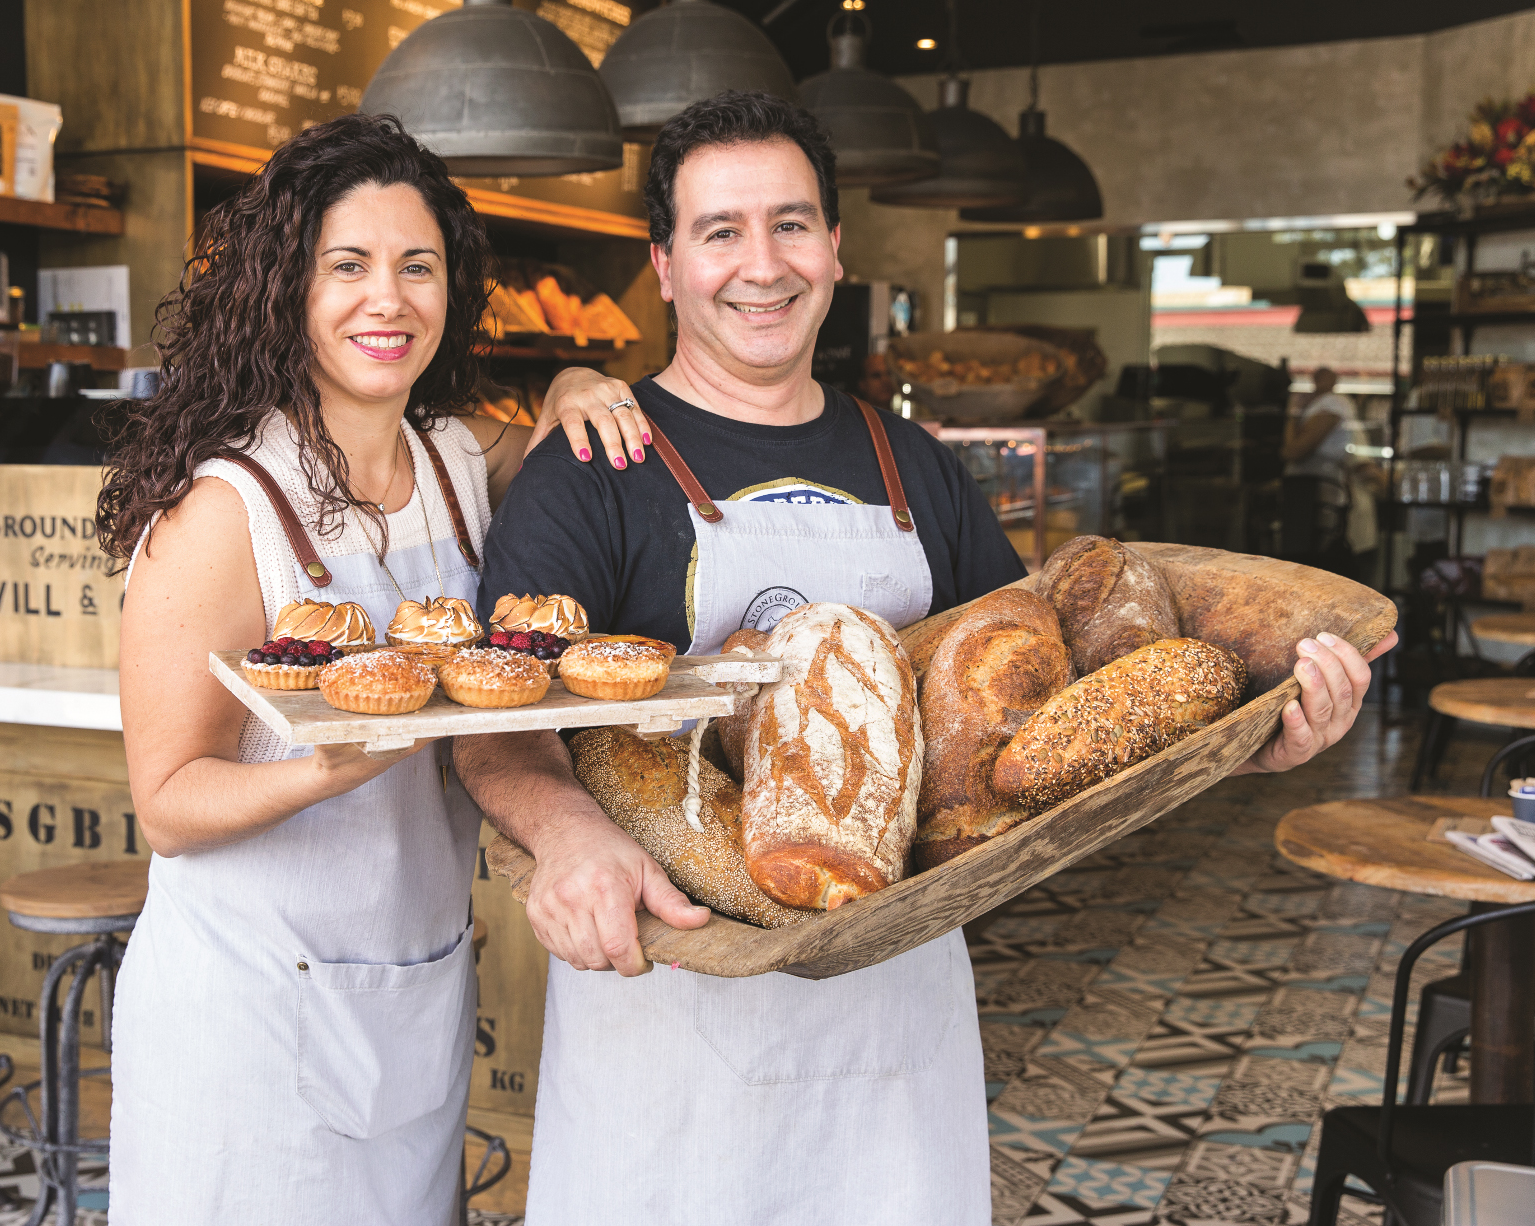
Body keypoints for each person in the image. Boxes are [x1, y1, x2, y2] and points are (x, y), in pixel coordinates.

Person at [452, 91, 1397, 1223]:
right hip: (673, 1016)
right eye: (720, 232)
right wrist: (564, 840)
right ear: (663, 264)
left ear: (836, 249)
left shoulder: (915, 464)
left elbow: (1047, 730)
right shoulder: (593, 465)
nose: (762, 264)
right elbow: (493, 716)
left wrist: (1239, 743)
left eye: (791, 224)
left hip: (898, 1008)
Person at [99, 113, 649, 1222]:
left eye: (418, 267)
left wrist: (579, 376)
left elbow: (549, 427)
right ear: (283, 290)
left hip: (412, 985)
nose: (385, 299)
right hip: (246, 1017)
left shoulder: (458, 461)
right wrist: (331, 764)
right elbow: (165, 803)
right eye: (346, 266)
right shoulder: (221, 511)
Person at [1283, 366, 1360, 571]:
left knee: (1313, 557)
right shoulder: (1319, 404)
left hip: (1317, 490)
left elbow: (1294, 451)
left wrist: (1292, 416)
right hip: (1307, 492)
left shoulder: (1333, 404)